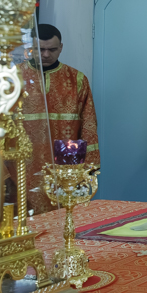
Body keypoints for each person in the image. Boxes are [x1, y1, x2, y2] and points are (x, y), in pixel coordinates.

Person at [21, 24, 101, 215]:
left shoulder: (77, 80)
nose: (46, 54)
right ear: (30, 48)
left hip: (66, 170)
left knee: (63, 218)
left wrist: (88, 169)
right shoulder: (13, 78)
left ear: (61, 48)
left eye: (52, 49)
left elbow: (89, 125)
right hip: (23, 167)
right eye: (40, 49)